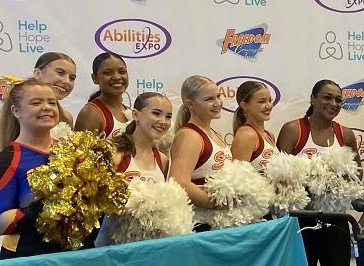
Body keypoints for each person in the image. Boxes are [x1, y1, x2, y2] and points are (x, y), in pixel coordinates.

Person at [277, 79, 362, 266]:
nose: (334, 104)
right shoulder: (293, 130)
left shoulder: (345, 134)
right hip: (302, 222)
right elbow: (280, 179)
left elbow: (356, 177)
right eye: (328, 97)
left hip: (335, 221)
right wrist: (312, 181)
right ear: (313, 98)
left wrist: (336, 182)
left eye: (339, 100)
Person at [0, 80, 64, 259]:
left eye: (52, 102)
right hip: (26, 259)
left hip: (70, 255)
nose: (47, 108)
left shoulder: (70, 150)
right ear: (16, 111)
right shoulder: (8, 159)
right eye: (36, 103)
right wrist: (48, 206)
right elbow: (0, 223)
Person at [0, 52, 77, 180]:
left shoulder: (67, 117)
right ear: (37, 73)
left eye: (72, 78)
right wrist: (40, 177)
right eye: (60, 73)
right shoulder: (12, 113)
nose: (66, 81)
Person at [96, 92, 173, 245]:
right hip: (112, 249)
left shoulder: (163, 160)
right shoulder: (113, 151)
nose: (163, 121)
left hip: (150, 247)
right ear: (136, 115)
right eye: (156, 113)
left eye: (168, 116)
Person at [169, 76, 229, 227]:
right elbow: (179, 181)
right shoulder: (189, 136)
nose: (217, 103)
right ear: (190, 104)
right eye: (209, 99)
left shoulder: (216, 133)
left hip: (220, 222)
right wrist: (216, 204)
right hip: (201, 223)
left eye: (218, 96)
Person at [74, 53, 131, 138]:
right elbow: (80, 151)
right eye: (108, 73)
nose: (117, 77)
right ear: (95, 78)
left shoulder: (129, 111)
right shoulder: (91, 113)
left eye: (122, 72)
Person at [230, 80, 278, 174]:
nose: (268, 106)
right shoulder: (246, 135)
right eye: (262, 101)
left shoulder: (269, 135)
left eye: (270, 100)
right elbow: (237, 179)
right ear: (244, 105)